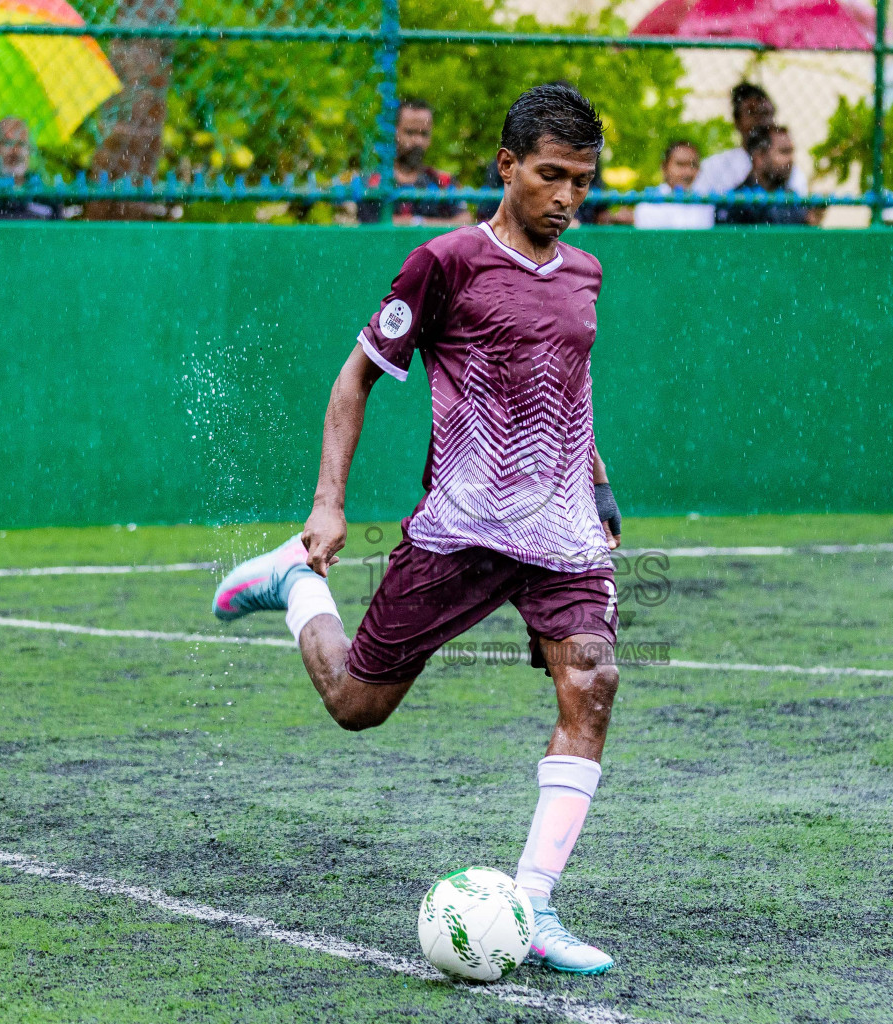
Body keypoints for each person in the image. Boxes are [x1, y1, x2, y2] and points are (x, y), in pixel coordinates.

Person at [211, 83, 623, 975]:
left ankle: (536, 906)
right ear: (507, 166)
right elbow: (354, 379)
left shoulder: (586, 272)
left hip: (563, 537)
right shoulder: (444, 263)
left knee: (592, 684)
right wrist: (328, 505)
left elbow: (568, 388)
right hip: (462, 531)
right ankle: (295, 583)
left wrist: (599, 487)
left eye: (582, 182)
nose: (566, 197)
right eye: (551, 175)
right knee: (357, 705)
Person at [356, 99, 471, 227]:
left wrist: (415, 222)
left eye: (424, 134)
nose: (418, 141)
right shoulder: (372, 183)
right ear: (394, 133)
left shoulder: (442, 182)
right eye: (410, 132)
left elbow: (465, 222)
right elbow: (366, 225)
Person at [693, 82, 809, 198]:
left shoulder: (790, 172)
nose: (761, 121)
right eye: (752, 113)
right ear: (737, 121)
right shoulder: (713, 167)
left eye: (766, 113)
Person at [0, 118, 65, 221]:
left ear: (29, 149)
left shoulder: (46, 195)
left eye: (21, 144)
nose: (15, 151)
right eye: (7, 143)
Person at [717, 126, 819, 226]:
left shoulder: (793, 200)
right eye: (784, 152)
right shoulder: (735, 202)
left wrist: (809, 221)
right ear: (759, 158)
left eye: (791, 152)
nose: (791, 159)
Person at [631, 140, 715, 230]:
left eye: (693, 165)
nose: (688, 172)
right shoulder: (647, 203)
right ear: (664, 167)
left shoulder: (707, 203)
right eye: (681, 164)